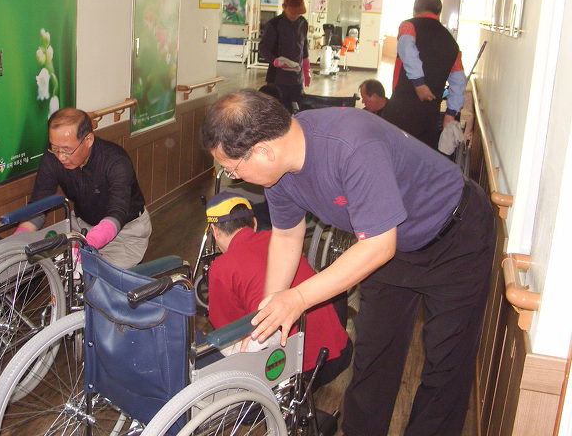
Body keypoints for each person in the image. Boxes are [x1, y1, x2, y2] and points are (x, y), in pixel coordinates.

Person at [201, 89, 495, 436]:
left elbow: (379, 245)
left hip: (454, 235)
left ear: (263, 150)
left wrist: (297, 298)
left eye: (233, 168)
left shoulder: (351, 144)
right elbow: (287, 236)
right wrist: (268, 310)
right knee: (374, 356)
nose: (234, 176)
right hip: (388, 243)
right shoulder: (279, 174)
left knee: (446, 362)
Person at [205, 191, 351, 389]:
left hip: (296, 374)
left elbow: (225, 329)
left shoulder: (221, 267)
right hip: (338, 353)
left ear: (215, 231)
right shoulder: (282, 242)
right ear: (254, 222)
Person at [16, 107, 152, 269]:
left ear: (88, 140)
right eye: (55, 148)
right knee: (70, 277)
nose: (60, 157)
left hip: (125, 232)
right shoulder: (53, 157)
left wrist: (85, 244)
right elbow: (39, 205)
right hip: (83, 227)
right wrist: (18, 241)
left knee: (101, 278)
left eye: (67, 150)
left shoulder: (115, 161)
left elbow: (117, 213)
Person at [382, 0, 466, 150]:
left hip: (401, 108)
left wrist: (419, 84)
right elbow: (459, 81)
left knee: (393, 152)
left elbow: (407, 50)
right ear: (439, 13)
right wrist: (450, 113)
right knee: (422, 155)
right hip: (430, 115)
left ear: (414, 10)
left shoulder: (409, 26)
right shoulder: (451, 42)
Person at [259, 0, 311, 110]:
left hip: (296, 78)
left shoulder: (303, 23)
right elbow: (263, 48)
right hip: (277, 78)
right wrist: (275, 61)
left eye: (298, 13)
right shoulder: (274, 24)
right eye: (293, 12)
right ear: (284, 7)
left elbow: (303, 46)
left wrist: (306, 68)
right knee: (278, 110)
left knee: (298, 109)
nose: (295, 15)